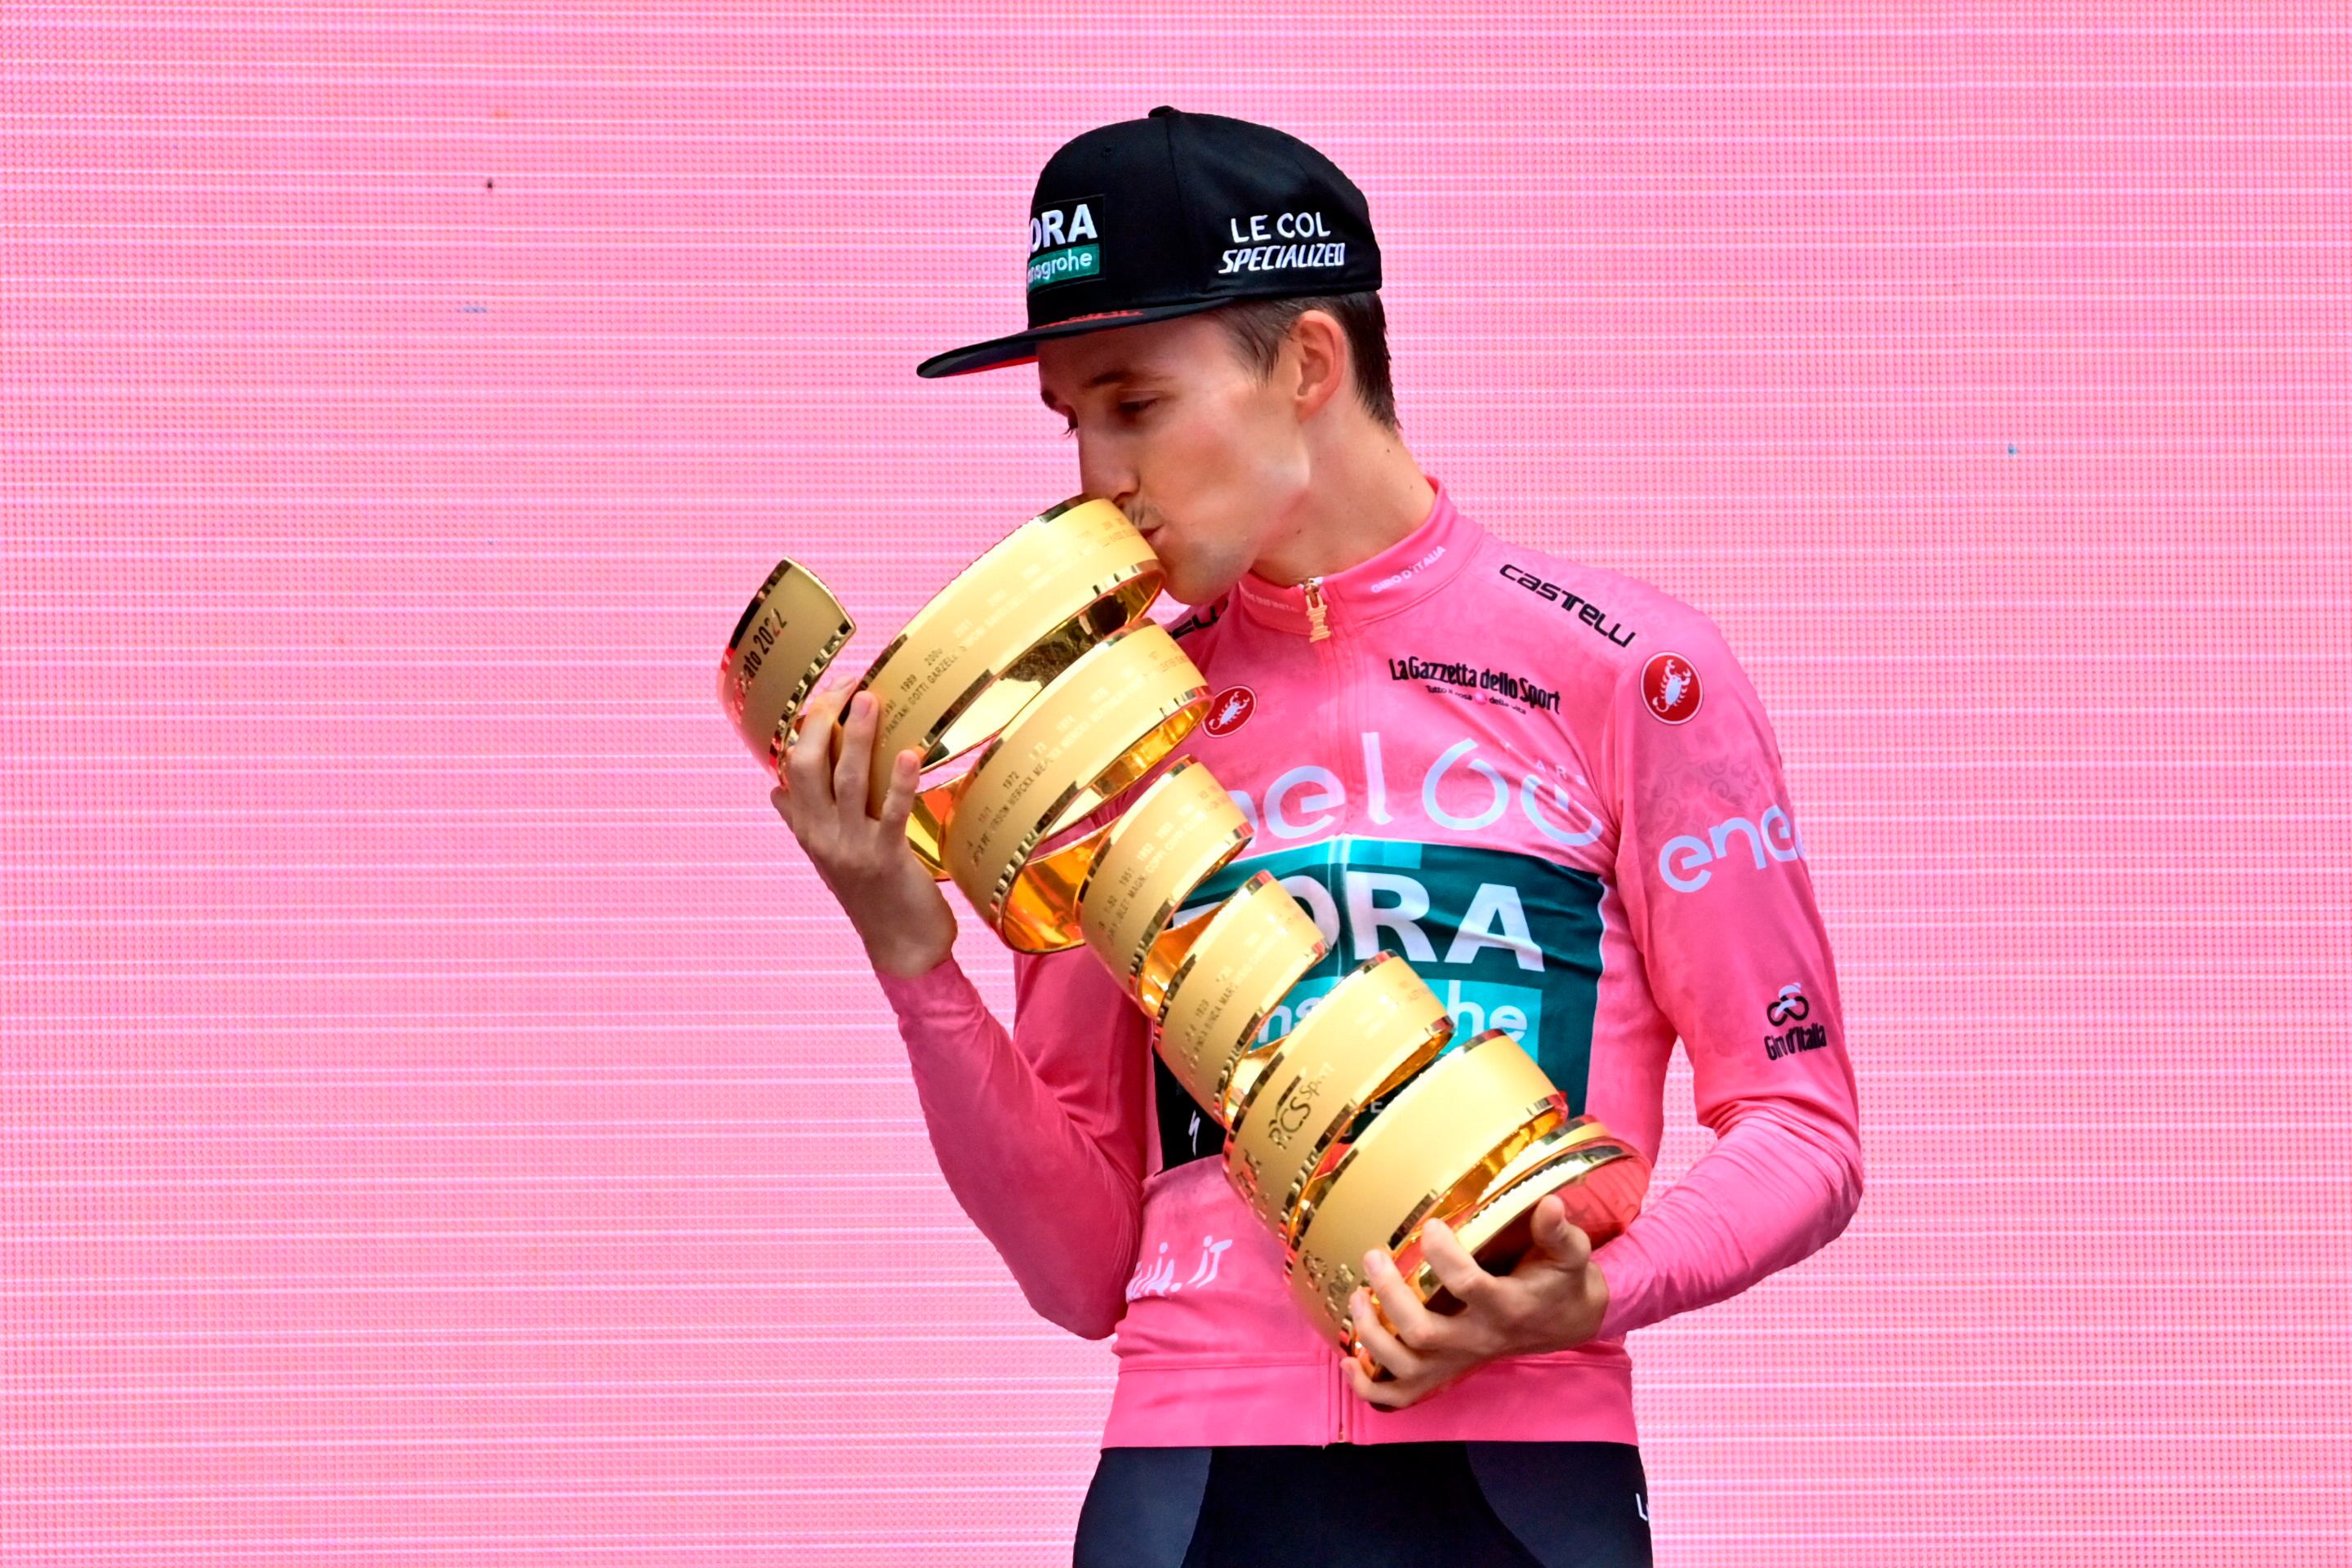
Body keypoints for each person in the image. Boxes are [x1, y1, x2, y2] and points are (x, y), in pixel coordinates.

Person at [769, 105, 1865, 1568]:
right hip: (1190, 1484)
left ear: (1307, 363)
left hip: (1525, 1484)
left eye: (1134, 404)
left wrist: (1599, 1290)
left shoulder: (1629, 672)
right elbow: (1080, 1263)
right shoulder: (1100, 730)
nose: (1099, 475)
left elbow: (1800, 1122)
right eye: (1072, 421)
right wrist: (914, 959)